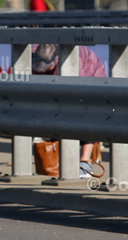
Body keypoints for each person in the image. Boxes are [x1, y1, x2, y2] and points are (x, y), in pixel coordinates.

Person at [32, 43, 106, 179]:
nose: (43, 72)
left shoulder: (75, 62)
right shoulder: (35, 50)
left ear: (56, 60)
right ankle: (60, 161)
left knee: (85, 115)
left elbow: (77, 100)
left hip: (92, 78)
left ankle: (85, 162)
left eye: (47, 70)